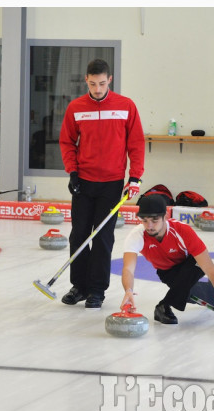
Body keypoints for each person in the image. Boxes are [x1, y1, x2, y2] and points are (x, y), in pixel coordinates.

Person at [59, 59, 145, 309]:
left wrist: (135, 177)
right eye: (93, 83)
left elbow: (136, 144)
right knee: (79, 235)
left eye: (102, 83)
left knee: (103, 237)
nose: (97, 89)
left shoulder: (125, 106)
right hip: (84, 182)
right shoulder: (76, 107)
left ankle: (97, 290)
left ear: (110, 81)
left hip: (112, 183)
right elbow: (67, 142)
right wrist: (72, 173)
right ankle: (80, 286)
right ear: (86, 80)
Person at [120, 195, 214, 327]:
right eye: (145, 220)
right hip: (167, 271)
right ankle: (213, 292)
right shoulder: (137, 235)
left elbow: (210, 270)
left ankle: (163, 306)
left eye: (154, 220)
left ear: (165, 216)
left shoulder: (183, 231)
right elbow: (128, 269)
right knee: (186, 294)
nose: (149, 226)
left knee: (185, 283)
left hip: (191, 265)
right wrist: (128, 290)